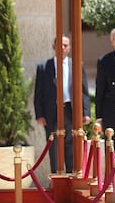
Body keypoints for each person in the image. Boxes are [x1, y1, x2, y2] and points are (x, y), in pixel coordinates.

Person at [34, 35, 91, 174]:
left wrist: (86, 112)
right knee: (54, 147)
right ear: (53, 47)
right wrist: (39, 115)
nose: (63, 48)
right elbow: (38, 93)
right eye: (59, 45)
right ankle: (56, 178)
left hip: (70, 111)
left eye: (65, 45)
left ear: (69, 48)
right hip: (52, 112)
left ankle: (71, 177)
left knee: (70, 146)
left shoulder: (77, 65)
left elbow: (84, 91)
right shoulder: (44, 67)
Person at [95, 27, 115, 178]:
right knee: (113, 157)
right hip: (112, 117)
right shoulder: (105, 61)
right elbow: (100, 91)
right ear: (112, 42)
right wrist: (99, 118)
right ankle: (113, 191)